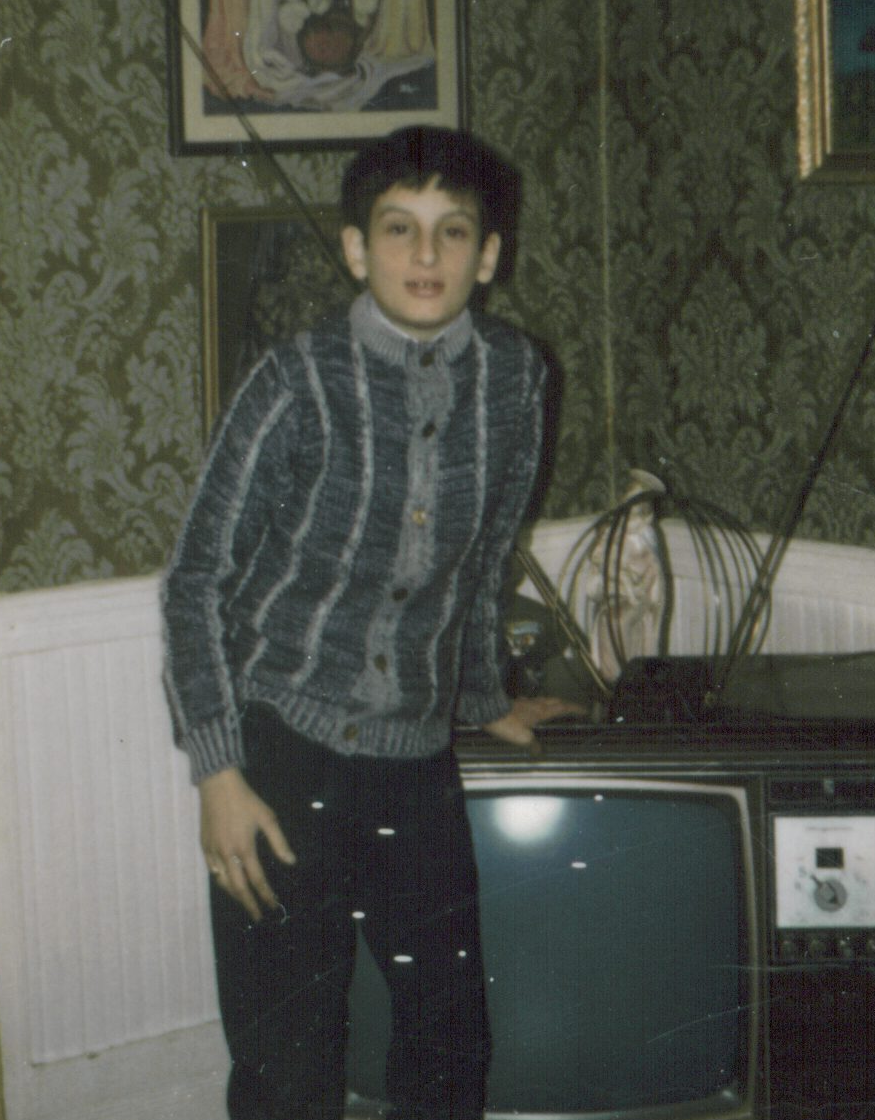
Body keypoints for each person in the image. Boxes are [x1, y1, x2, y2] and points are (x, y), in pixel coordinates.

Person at [160, 126, 576, 1120]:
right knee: (287, 1061)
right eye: (398, 229)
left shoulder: (518, 378)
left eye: (452, 231)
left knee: (448, 1041)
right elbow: (194, 578)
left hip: (413, 763)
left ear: (488, 254)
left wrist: (483, 699)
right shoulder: (295, 380)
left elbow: (484, 560)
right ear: (356, 248)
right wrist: (218, 776)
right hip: (281, 758)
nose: (425, 255)